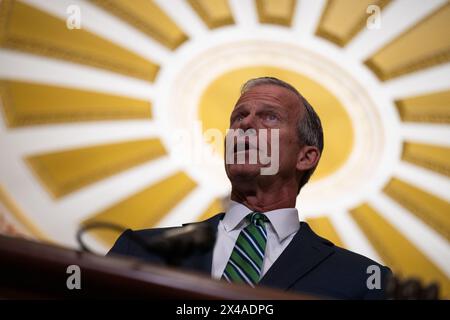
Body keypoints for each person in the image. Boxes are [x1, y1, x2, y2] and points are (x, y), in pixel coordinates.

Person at [108, 77, 391, 299]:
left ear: (305, 157)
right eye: (238, 117)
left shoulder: (364, 280)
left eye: (270, 117)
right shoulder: (140, 251)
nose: (245, 124)